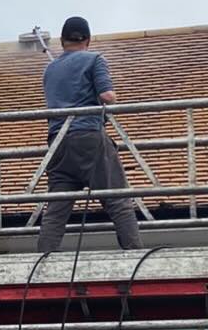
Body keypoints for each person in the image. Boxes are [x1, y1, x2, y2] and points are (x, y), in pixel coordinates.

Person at [37, 16, 142, 251]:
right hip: (87, 137)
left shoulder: (50, 70)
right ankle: (136, 256)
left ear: (62, 41)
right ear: (88, 39)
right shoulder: (95, 59)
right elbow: (107, 97)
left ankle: (42, 261)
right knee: (118, 200)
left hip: (58, 144)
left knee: (56, 209)